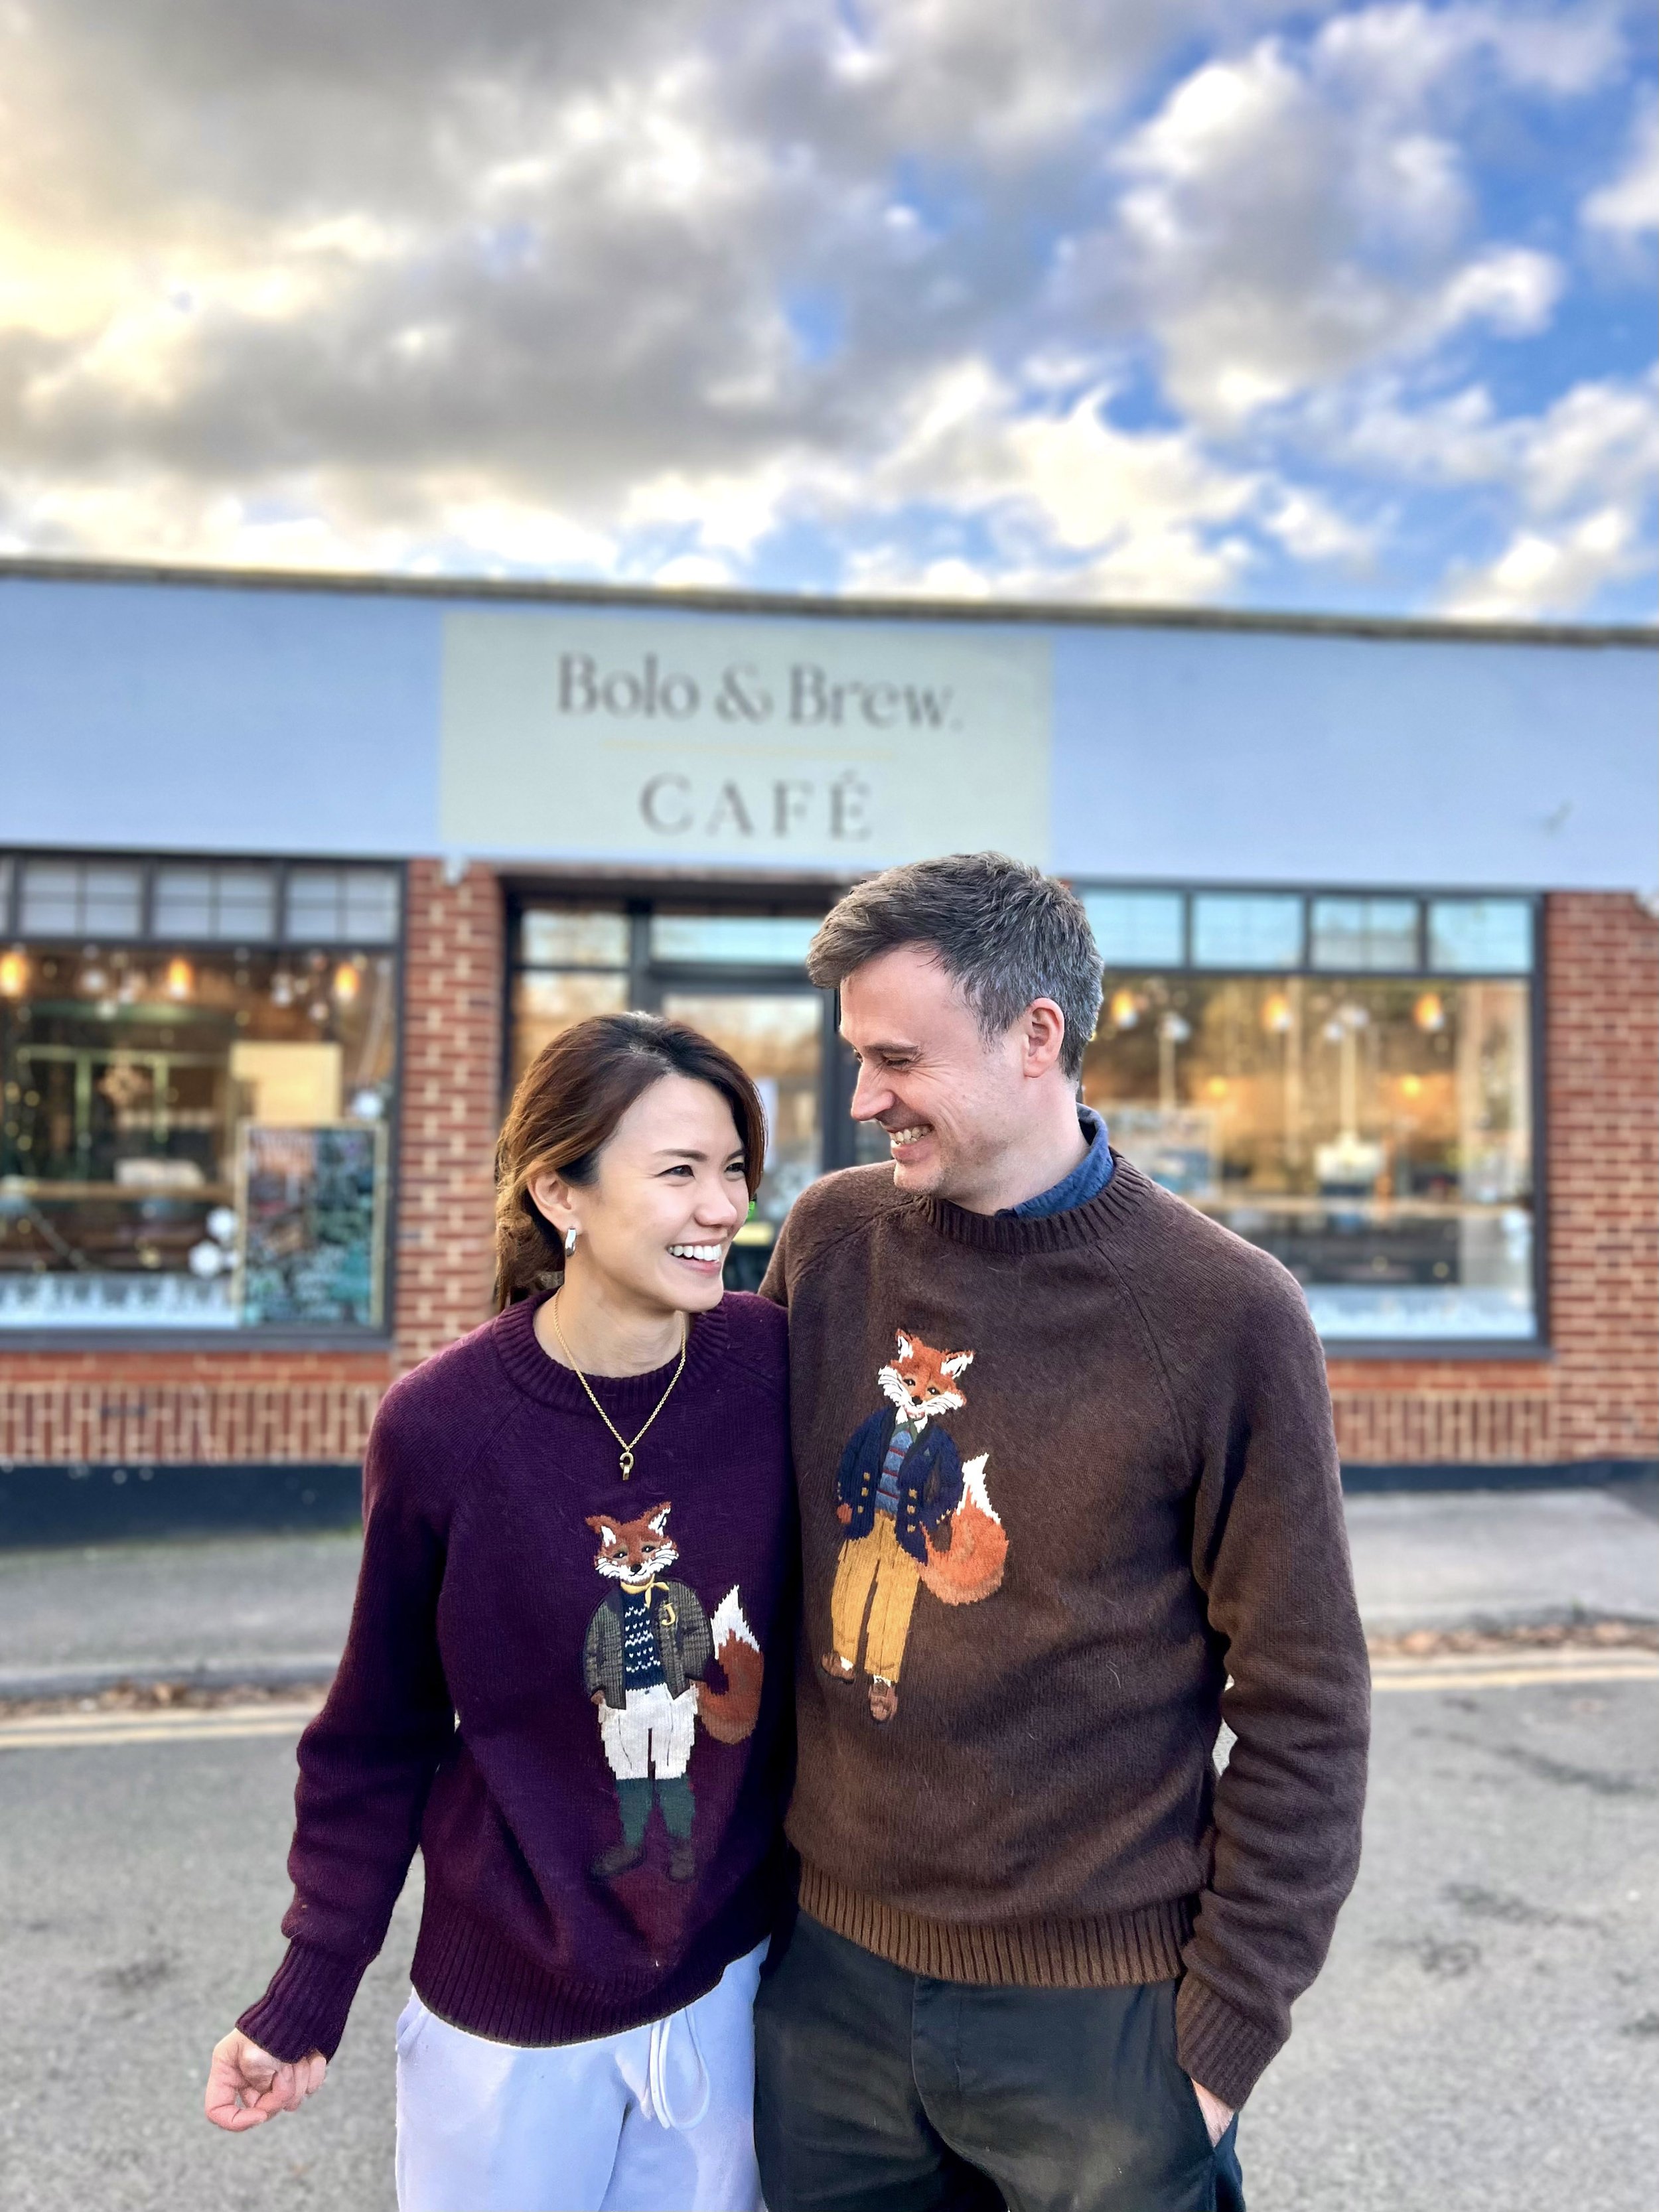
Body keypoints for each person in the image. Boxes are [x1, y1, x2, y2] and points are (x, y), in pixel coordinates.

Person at [754, 853, 1370, 2212]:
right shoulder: (828, 1241)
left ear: (1036, 1034)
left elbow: (1306, 1700)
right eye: (857, 1056)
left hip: (1098, 2032)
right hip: (828, 1997)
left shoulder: (1225, 1311)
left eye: (897, 1058)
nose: (862, 1098)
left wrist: (1214, 2053)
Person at [204, 1013, 796, 2212]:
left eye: (735, 1167)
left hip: (726, 1987)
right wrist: (310, 1988)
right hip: (507, 2025)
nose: (723, 1207)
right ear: (558, 1193)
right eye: (679, 1170)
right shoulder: (442, 1427)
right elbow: (379, 1731)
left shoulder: (776, 1368)